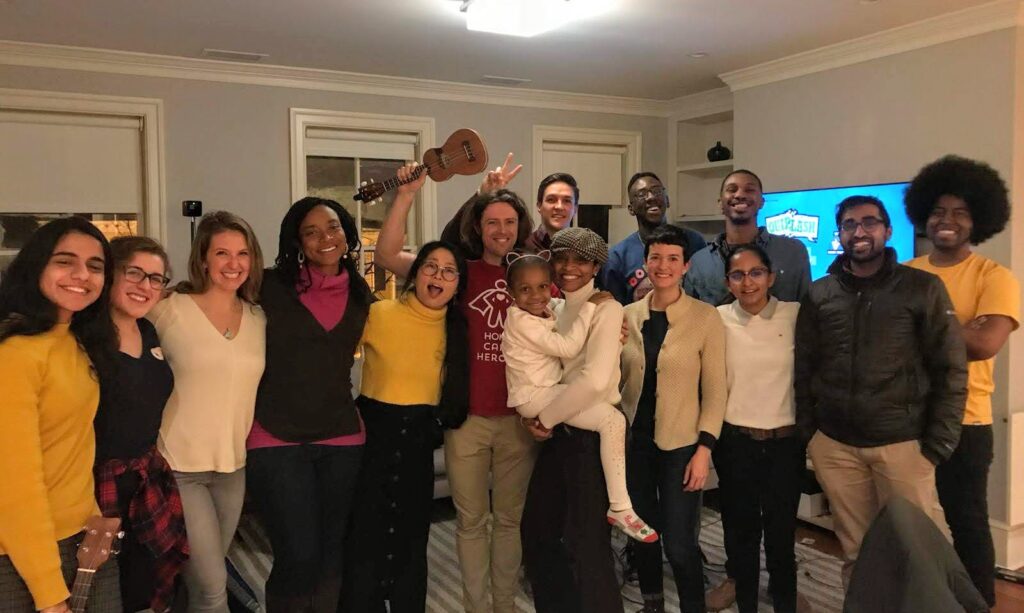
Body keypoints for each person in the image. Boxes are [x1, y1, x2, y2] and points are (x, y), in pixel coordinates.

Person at [375, 164, 537, 613]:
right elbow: (388, 258)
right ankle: (475, 607)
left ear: (520, 227)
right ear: (478, 228)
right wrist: (405, 196)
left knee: (509, 520)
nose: (501, 230)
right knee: (470, 521)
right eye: (492, 222)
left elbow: (576, 307)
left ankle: (503, 605)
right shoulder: (458, 273)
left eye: (509, 222)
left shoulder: (534, 275)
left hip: (519, 420)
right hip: (466, 419)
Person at [795, 195, 968, 587]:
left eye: (870, 222)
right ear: (839, 235)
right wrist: (812, 432)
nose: (860, 231)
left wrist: (938, 444)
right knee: (858, 550)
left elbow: (951, 368)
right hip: (836, 447)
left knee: (923, 552)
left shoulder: (922, 288)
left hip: (903, 445)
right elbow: (804, 367)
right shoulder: (820, 293)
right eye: (850, 224)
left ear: (887, 231)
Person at [904, 155, 1020, 607]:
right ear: (923, 216)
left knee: (967, 521)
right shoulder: (909, 273)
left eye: (960, 212)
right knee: (908, 519)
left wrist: (921, 324)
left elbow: (985, 343)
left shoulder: (995, 277)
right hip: (906, 417)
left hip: (965, 422)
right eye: (937, 211)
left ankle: (978, 603)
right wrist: (955, 327)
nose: (946, 220)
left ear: (979, 221)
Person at [246, 198, 371, 612]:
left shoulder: (360, 292)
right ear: (298, 241)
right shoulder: (270, 285)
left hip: (341, 435)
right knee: (296, 553)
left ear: (347, 233)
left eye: (332, 227)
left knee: (332, 551)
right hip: (275, 436)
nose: (325, 238)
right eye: (312, 231)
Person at [0, 217, 121, 612]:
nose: (81, 275)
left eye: (95, 265)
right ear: (37, 266)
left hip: (83, 537)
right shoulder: (14, 356)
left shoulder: (77, 341)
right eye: (64, 261)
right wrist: (49, 594)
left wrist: (94, 520)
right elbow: (15, 484)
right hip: (21, 556)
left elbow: (73, 445)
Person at [148, 211, 266, 613]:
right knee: (216, 585)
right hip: (179, 465)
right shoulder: (170, 309)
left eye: (242, 254)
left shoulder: (258, 317)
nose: (233, 264)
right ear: (203, 260)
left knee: (200, 580)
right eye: (222, 253)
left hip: (233, 468)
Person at [342, 241, 469, 613]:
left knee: (412, 536)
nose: (438, 276)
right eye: (431, 266)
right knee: (364, 533)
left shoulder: (458, 331)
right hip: (373, 433)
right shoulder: (379, 314)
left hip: (418, 436)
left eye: (449, 271)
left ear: (458, 284)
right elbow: (331, 351)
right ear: (414, 275)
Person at [501, 253, 656, 542]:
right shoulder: (522, 321)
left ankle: (621, 507)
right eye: (525, 289)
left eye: (543, 287)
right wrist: (590, 307)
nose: (537, 295)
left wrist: (610, 330)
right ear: (511, 293)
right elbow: (568, 346)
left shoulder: (545, 310)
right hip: (536, 396)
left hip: (544, 391)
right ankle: (620, 507)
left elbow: (559, 312)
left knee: (612, 420)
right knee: (609, 416)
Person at [620, 224, 727, 613]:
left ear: (685, 266)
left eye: (672, 259)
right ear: (645, 262)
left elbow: (716, 392)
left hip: (681, 446)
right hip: (635, 444)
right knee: (643, 533)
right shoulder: (626, 316)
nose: (662, 265)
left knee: (681, 542)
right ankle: (652, 603)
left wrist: (704, 450)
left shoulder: (705, 318)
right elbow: (615, 381)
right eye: (655, 257)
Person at [519, 227, 628, 613]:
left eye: (580, 260)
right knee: (539, 534)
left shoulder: (609, 309)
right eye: (560, 257)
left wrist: (545, 417)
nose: (568, 267)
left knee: (588, 547)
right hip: (561, 434)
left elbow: (595, 380)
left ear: (596, 265)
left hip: (589, 439)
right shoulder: (555, 309)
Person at [93, 236, 187, 613]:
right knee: (100, 589)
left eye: (156, 279)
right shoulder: (85, 337)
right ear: (112, 274)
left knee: (146, 591)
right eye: (135, 273)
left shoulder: (149, 332)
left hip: (145, 482)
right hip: (96, 484)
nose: (145, 286)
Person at [715, 244, 803, 613]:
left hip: (785, 444)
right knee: (741, 534)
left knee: (781, 537)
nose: (747, 282)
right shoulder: (716, 318)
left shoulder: (795, 314)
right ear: (728, 282)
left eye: (755, 273)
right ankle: (746, 605)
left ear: (770, 276)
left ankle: (785, 602)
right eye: (738, 274)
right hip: (736, 443)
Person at [685, 170, 810, 307]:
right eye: (732, 190)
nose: (739, 195)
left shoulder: (793, 252)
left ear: (762, 202)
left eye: (749, 190)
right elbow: (690, 317)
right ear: (720, 203)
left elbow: (807, 312)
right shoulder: (699, 261)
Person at [602, 172, 706, 305]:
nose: (650, 197)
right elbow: (616, 311)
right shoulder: (616, 257)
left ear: (667, 200)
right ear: (631, 209)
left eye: (656, 191)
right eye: (641, 194)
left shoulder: (694, 242)